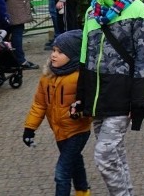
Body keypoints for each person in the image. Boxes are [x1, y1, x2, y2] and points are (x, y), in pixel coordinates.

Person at [76, 0, 144, 196]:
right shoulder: (92, 11)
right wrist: (81, 95)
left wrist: (140, 99)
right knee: (115, 152)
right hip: (98, 93)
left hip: (122, 94)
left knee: (105, 154)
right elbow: (84, 55)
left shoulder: (138, 10)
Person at [23, 29, 93, 196]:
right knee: (75, 161)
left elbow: (92, 105)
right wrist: (29, 128)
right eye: (54, 50)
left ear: (74, 55)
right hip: (59, 130)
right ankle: (83, 191)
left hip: (78, 131)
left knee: (62, 172)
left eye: (60, 52)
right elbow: (39, 104)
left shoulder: (81, 78)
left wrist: (82, 112)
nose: (54, 55)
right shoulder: (47, 77)